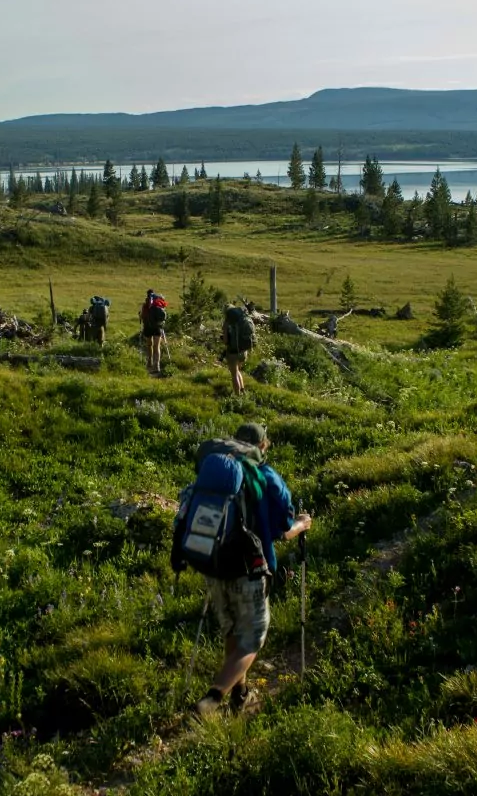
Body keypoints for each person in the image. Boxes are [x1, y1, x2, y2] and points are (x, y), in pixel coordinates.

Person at [194, 423, 311, 717]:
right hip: (251, 568)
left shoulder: (218, 472)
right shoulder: (265, 475)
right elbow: (282, 528)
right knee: (253, 637)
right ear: (262, 445)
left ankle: (240, 694)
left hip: (214, 565)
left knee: (232, 630)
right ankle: (212, 698)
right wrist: (302, 524)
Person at [222, 304, 255, 396]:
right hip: (244, 351)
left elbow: (225, 341)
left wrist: (224, 333)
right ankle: (243, 390)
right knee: (238, 371)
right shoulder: (242, 319)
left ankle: (237, 396)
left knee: (234, 375)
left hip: (233, 352)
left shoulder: (228, 323)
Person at [140, 289, 168, 374]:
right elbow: (163, 318)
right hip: (157, 328)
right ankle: (157, 366)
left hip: (148, 327)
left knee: (149, 345)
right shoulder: (159, 304)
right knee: (157, 347)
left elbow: (142, 316)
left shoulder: (145, 305)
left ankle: (149, 362)